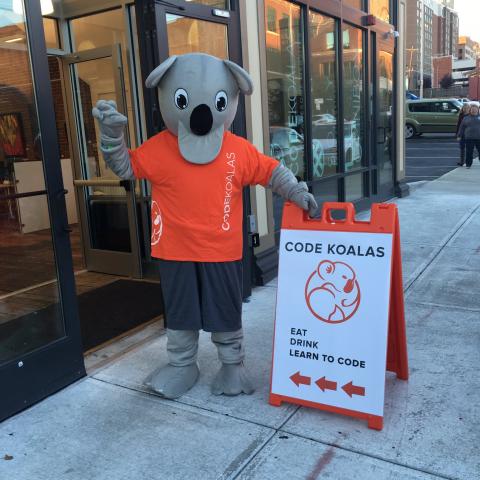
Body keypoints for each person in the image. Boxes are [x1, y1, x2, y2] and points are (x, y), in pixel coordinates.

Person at [458, 103, 480, 169]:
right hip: (469, 138)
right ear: (470, 110)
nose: (474, 110)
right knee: (469, 152)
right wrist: (459, 135)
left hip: (479, 138)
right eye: (472, 109)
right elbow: (462, 127)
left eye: (475, 109)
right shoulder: (466, 118)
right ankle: (468, 164)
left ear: (478, 110)